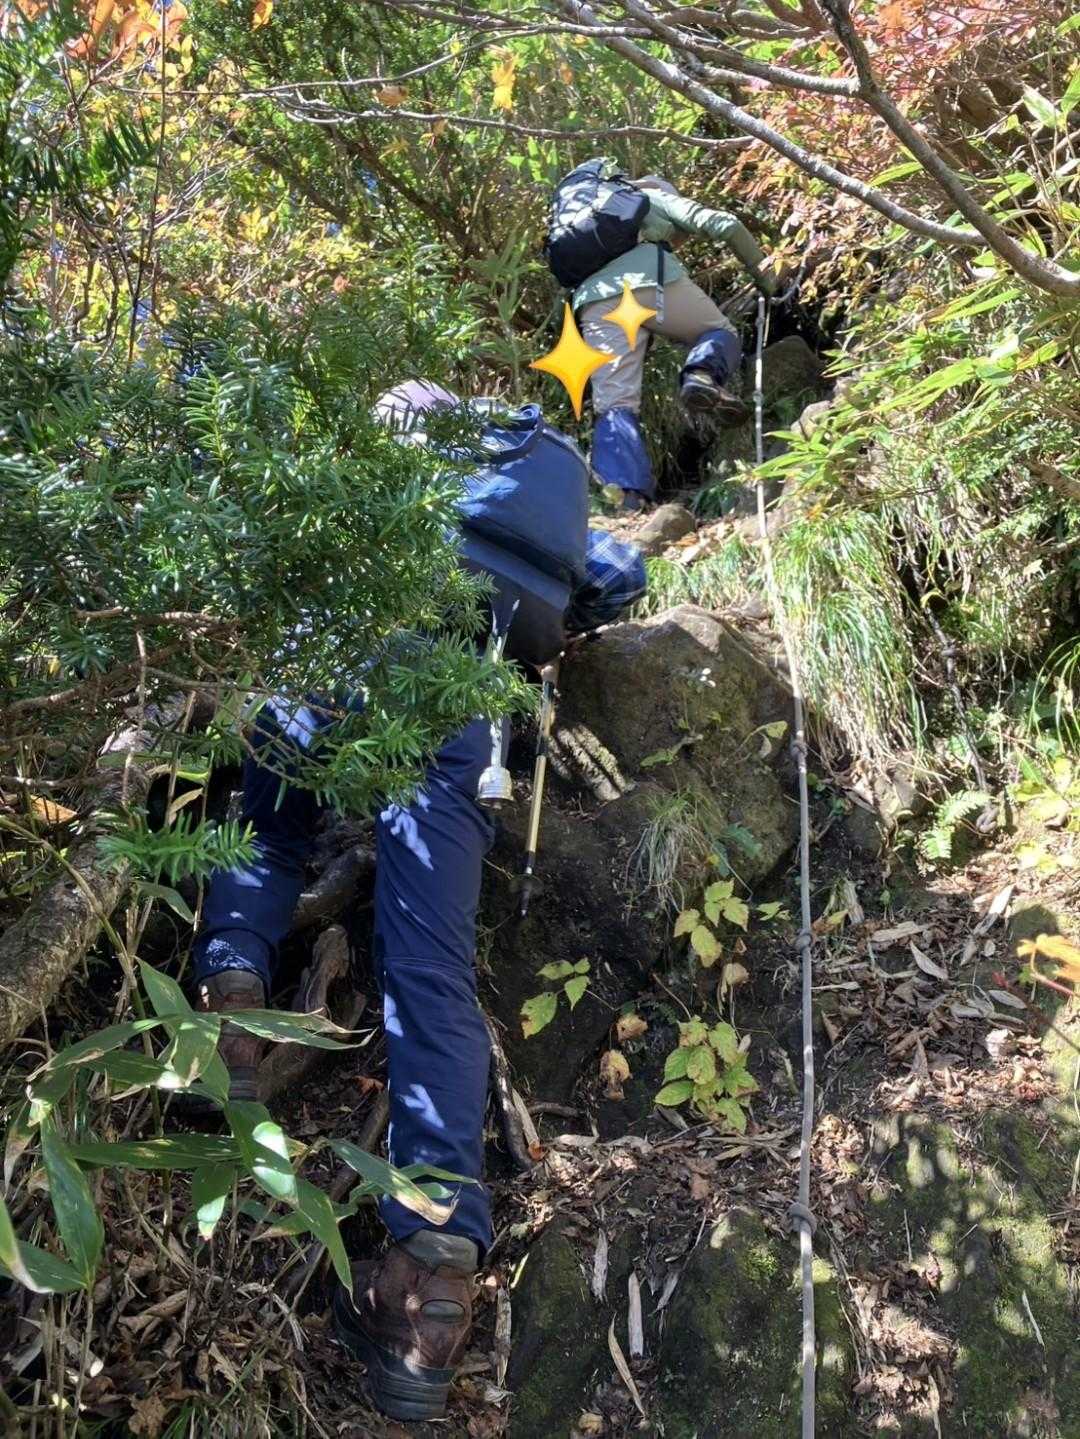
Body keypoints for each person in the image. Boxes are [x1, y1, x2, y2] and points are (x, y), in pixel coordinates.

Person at [190, 382, 645, 1422]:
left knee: (270, 826)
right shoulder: (541, 476)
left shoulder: (399, 424)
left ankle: (230, 1020)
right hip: (458, 701)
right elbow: (621, 570)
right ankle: (429, 1293)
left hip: (335, 649)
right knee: (430, 966)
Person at [574, 171, 780, 512]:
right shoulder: (654, 196)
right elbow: (725, 224)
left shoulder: (590, 217)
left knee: (614, 403)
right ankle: (701, 375)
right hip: (646, 280)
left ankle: (626, 499)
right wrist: (768, 278)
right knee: (720, 332)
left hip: (594, 303)